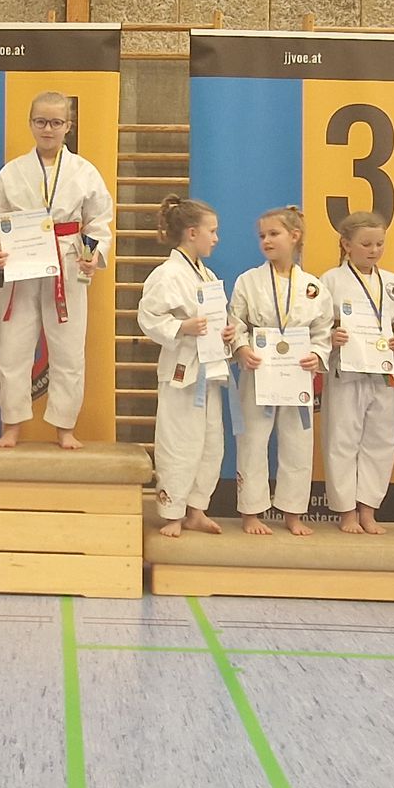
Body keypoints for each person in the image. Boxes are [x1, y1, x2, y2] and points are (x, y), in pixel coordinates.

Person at [0, 92, 113, 450]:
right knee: (14, 347)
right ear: (30, 123)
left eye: (56, 122)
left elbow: (97, 222)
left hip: (68, 261)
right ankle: (12, 425)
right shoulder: (12, 172)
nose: (48, 129)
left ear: (68, 126)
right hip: (22, 262)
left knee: (68, 350)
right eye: (41, 121)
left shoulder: (84, 172)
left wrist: (91, 255)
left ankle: (64, 427)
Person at [229, 206, 331, 535]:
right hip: (259, 370)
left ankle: (293, 512)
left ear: (294, 236)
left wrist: (317, 354)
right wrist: (241, 349)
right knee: (253, 440)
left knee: (298, 441)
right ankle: (251, 512)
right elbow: (236, 323)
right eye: (262, 236)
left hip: (297, 373)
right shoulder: (248, 281)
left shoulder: (314, 287)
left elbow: (322, 331)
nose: (266, 241)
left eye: (274, 234)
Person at [139, 196, 234, 538]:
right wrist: (182, 327)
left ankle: (196, 509)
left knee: (210, 443)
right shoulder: (167, 274)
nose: (216, 238)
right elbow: (148, 317)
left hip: (209, 369)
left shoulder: (206, 274)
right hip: (182, 372)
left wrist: (227, 330)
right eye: (212, 231)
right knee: (179, 442)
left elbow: (216, 317)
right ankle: (172, 513)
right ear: (192, 233)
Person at [319, 211, 394, 534]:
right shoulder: (330, 280)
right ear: (346, 244)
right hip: (346, 370)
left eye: (380, 244)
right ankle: (346, 512)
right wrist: (330, 336)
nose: (374, 250)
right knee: (342, 440)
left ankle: (368, 509)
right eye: (366, 244)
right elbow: (318, 325)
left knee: (381, 440)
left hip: (383, 371)